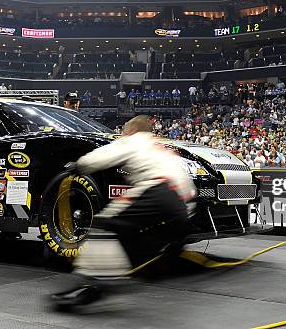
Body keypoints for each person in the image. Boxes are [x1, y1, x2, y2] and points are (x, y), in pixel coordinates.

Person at [51, 116, 195, 308]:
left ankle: (95, 282)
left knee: (103, 225)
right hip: (182, 205)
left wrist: (78, 166)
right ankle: (128, 269)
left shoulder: (133, 140)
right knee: (130, 232)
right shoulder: (161, 147)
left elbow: (99, 158)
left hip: (157, 190)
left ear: (130, 130)